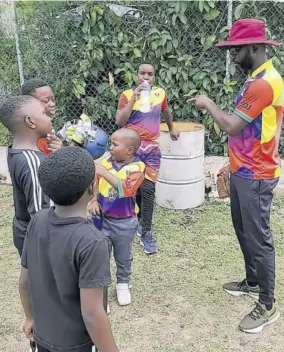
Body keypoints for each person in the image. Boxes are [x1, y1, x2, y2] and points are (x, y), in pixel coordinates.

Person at [191, 19, 283, 333]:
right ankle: (254, 282)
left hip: (257, 174)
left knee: (259, 238)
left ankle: (268, 305)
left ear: (254, 47)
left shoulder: (264, 83)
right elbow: (250, 131)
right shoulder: (256, 77)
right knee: (244, 230)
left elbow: (231, 125)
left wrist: (208, 103)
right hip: (244, 169)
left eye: (236, 49)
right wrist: (232, 163)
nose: (233, 55)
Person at [19, 147, 119, 352]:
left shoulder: (37, 220)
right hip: (77, 345)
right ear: (93, 187)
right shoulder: (93, 242)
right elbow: (92, 313)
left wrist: (30, 317)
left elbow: (24, 281)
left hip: (42, 337)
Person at [116, 62, 180, 255]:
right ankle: (136, 220)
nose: (146, 77)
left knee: (148, 188)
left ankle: (146, 233)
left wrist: (171, 127)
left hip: (152, 148)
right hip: (132, 148)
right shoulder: (127, 95)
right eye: (142, 73)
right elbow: (119, 121)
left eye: (150, 74)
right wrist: (133, 98)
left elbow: (166, 110)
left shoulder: (160, 93)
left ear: (154, 77)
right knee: (134, 187)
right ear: (136, 76)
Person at [0, 95, 61, 256]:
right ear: (30, 122)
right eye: (43, 113)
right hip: (39, 240)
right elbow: (41, 214)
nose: (49, 116)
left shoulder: (15, 151)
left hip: (24, 230)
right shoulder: (33, 162)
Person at [90, 128, 145, 306]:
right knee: (100, 256)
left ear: (130, 150)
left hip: (125, 223)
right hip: (102, 219)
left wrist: (104, 173)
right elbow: (95, 182)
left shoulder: (137, 168)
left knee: (123, 256)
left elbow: (126, 190)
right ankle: (101, 290)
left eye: (114, 144)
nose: (110, 148)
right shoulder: (105, 162)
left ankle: (123, 284)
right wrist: (93, 200)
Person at [21, 78, 57, 155]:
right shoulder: (34, 138)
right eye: (46, 101)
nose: (52, 104)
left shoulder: (46, 127)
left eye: (53, 100)